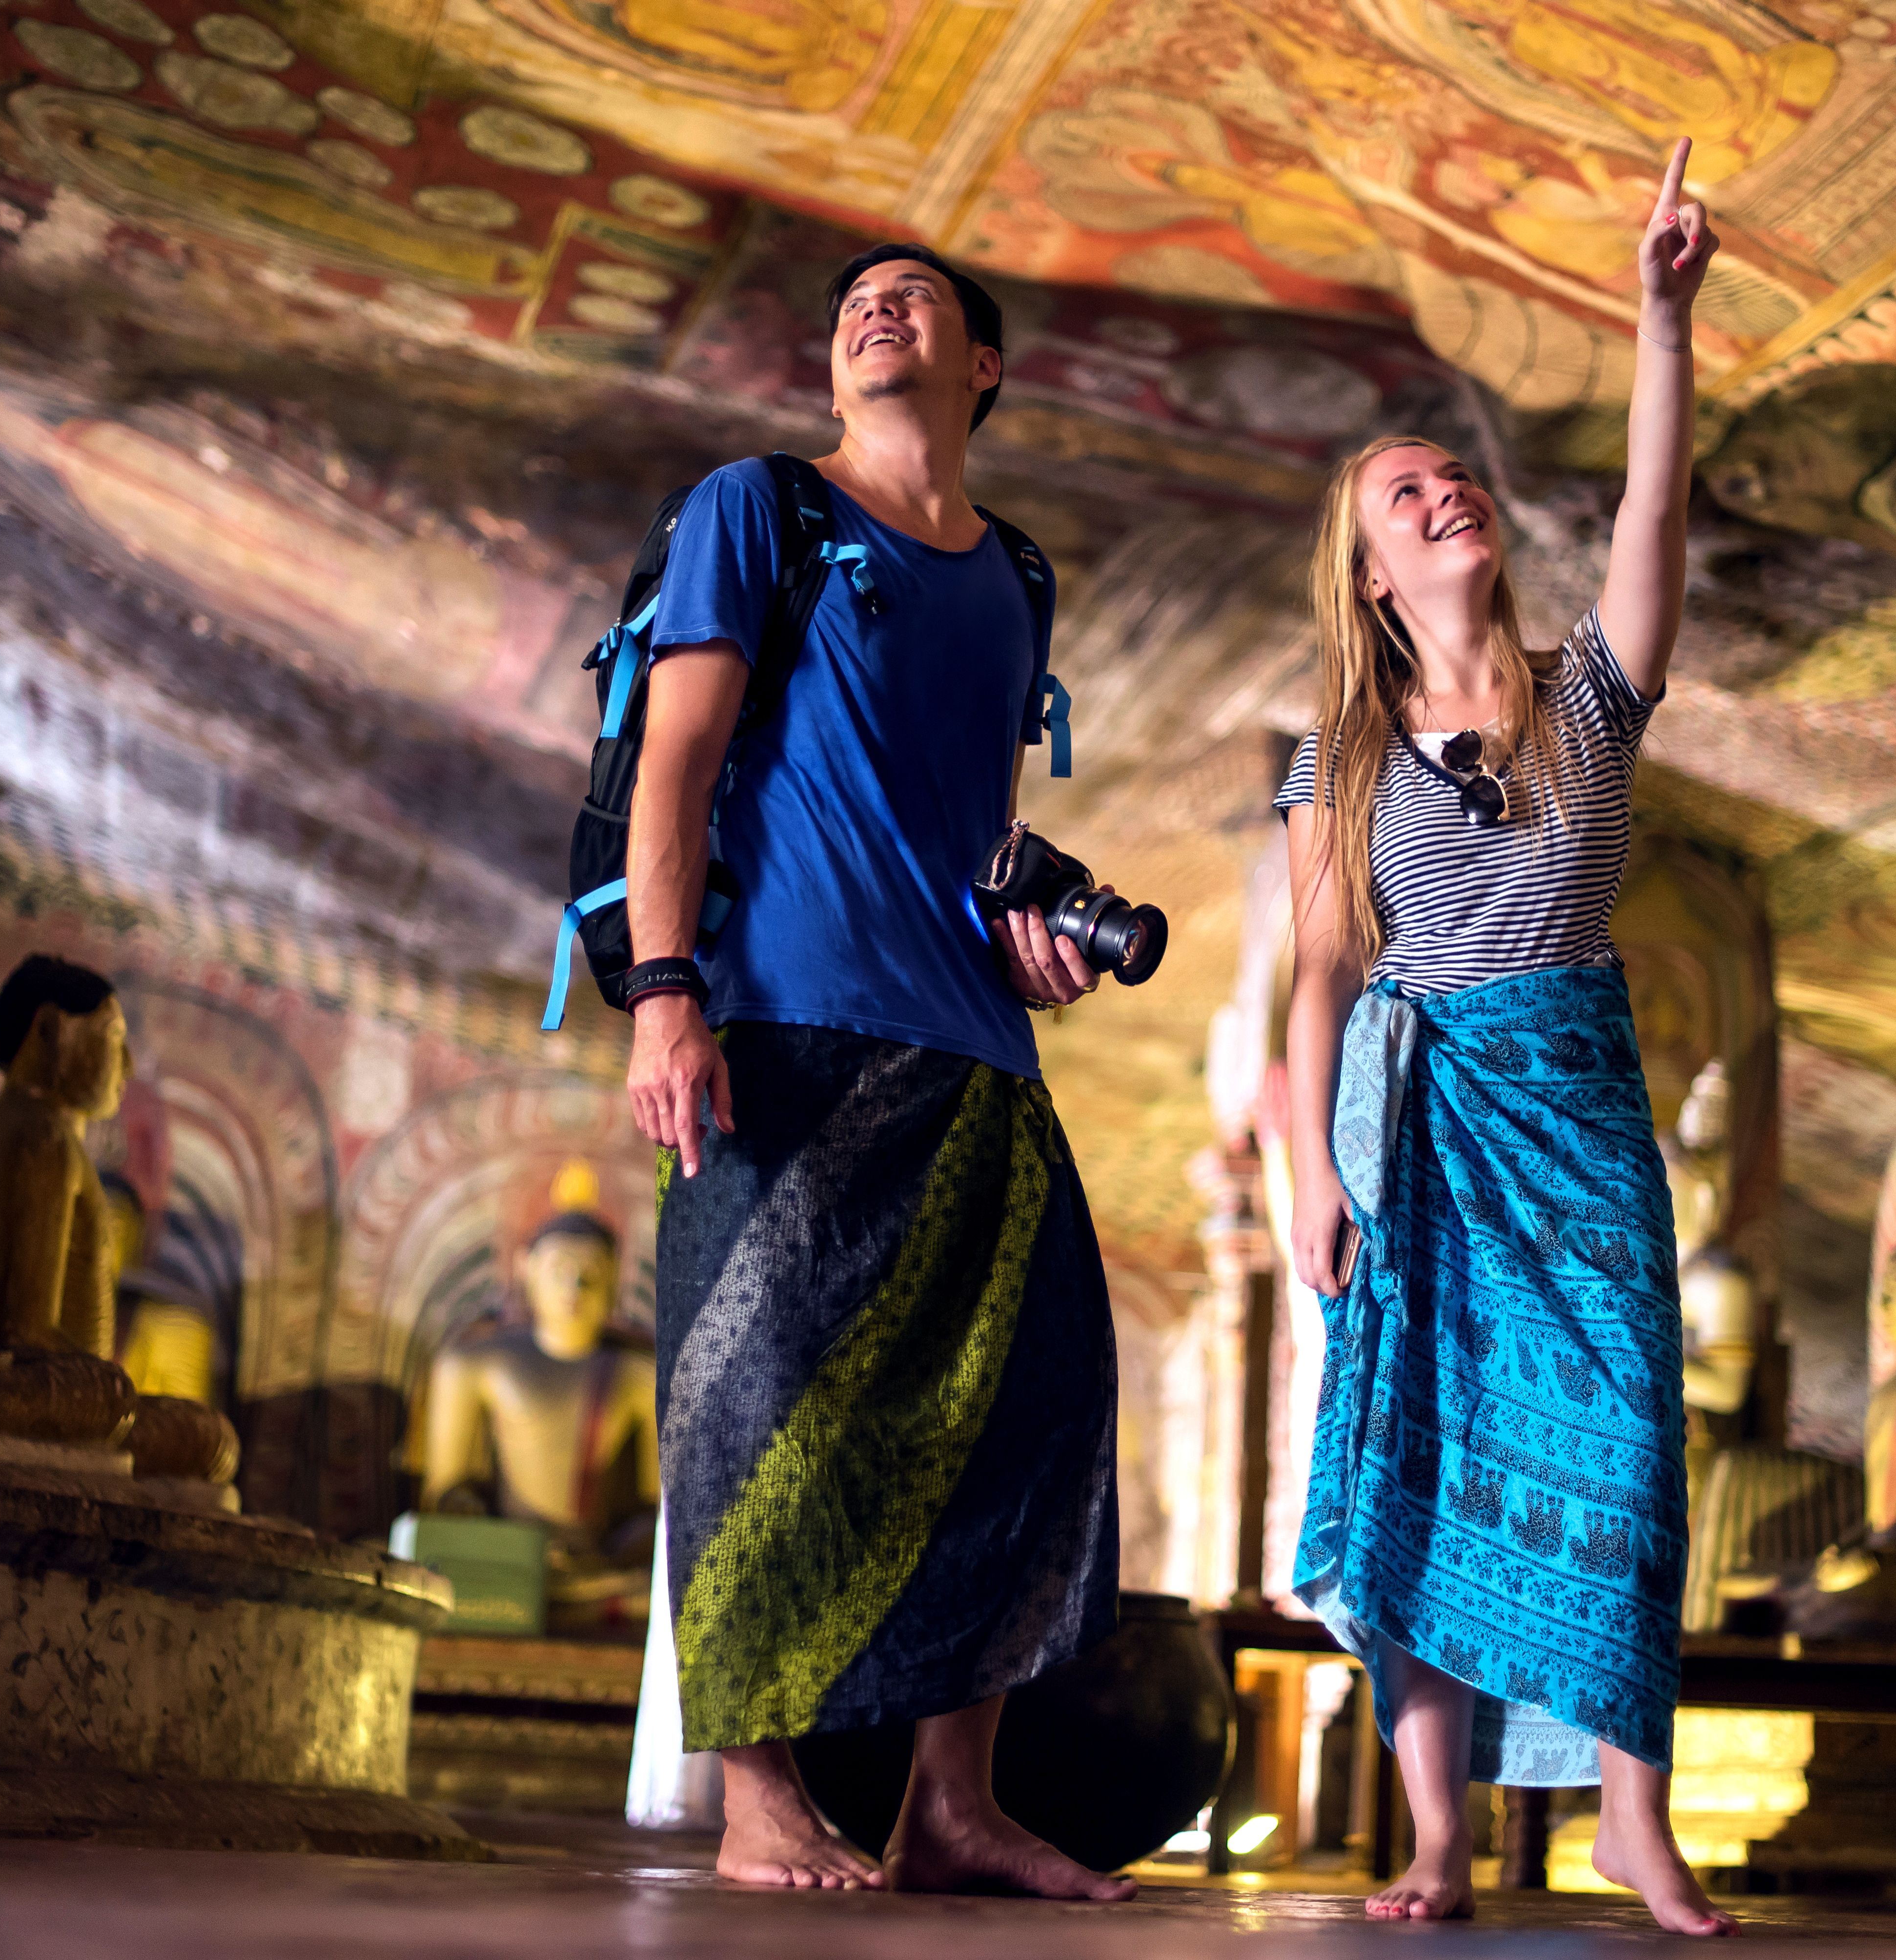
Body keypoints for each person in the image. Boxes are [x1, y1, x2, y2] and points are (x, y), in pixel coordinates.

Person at [620, 243, 1128, 1900]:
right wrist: (664, 989)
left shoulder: (1021, 574)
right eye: (856, 300)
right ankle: (759, 1800)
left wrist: (1030, 943)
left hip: (970, 1046)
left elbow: (971, 831)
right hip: (772, 1019)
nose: (874, 309)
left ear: (984, 367)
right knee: (751, 1395)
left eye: (918, 299)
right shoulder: (759, 508)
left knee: (1032, 1401)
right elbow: (678, 760)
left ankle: (951, 1805)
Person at [1279, 140, 1733, 1932]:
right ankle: (1438, 1842)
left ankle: (1631, 1818)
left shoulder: (1592, 695)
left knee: (1622, 1442)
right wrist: (1308, 1162)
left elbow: (1650, 516)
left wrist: (1660, 318)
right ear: (1374, 569)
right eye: (1407, 495)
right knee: (1419, 1453)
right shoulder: (1342, 750)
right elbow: (1319, 980)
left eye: (1453, 475)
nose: (1444, 494)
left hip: (1578, 1104)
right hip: (1422, 1117)